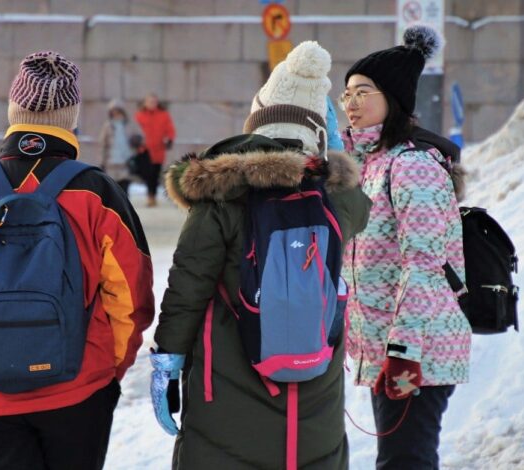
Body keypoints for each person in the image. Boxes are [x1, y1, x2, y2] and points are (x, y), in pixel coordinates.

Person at [0, 51, 154, 470]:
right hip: (78, 388)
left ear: (14, 111)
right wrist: (111, 369)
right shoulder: (97, 192)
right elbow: (131, 298)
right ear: (71, 118)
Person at [152, 41, 371, 469]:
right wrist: (330, 155)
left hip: (229, 399)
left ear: (256, 124)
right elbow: (359, 203)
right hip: (314, 407)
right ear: (319, 132)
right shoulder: (335, 200)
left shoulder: (221, 196)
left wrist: (167, 360)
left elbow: (188, 286)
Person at [340, 25, 471, 469]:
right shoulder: (372, 165)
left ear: (392, 98)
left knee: (405, 461)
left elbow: (425, 264)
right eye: (347, 93)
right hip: (392, 350)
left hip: (419, 350)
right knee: (398, 459)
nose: (350, 102)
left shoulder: (413, 166)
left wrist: (403, 352)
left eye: (363, 91)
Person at [134, 92, 176, 207]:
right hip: (144, 150)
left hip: (158, 150)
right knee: (147, 173)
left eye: (154, 102)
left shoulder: (164, 115)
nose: (152, 104)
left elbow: (170, 130)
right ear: (145, 103)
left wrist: (169, 139)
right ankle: (150, 195)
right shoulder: (139, 115)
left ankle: (152, 196)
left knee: (155, 174)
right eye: (149, 101)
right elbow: (133, 130)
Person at [99, 99, 141, 196]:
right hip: (111, 161)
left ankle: (124, 208)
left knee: (125, 187)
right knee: (113, 189)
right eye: (113, 111)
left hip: (126, 160)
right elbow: (102, 144)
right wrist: (102, 161)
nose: (116, 113)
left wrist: (137, 140)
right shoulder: (108, 126)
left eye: (118, 111)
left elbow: (140, 136)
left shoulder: (130, 124)